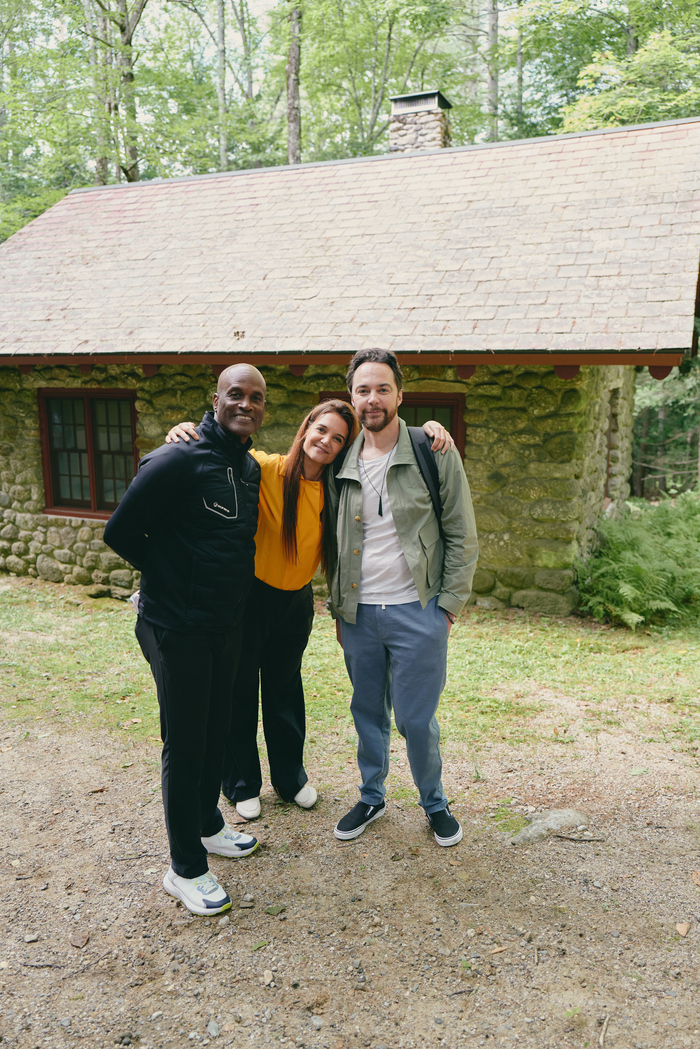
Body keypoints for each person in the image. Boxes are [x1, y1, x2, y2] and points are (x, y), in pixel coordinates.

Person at [165, 403, 453, 821]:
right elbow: (218, 449)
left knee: (284, 691)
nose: (327, 442)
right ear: (306, 429)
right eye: (321, 430)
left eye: (338, 438)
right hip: (250, 599)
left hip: (295, 603)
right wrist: (187, 430)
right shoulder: (264, 468)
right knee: (240, 691)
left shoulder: (337, 486)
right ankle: (242, 782)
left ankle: (290, 778)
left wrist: (429, 427)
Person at [104, 364, 266, 917]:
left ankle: (207, 825)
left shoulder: (247, 468)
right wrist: (170, 578)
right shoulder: (178, 457)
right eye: (236, 394)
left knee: (217, 730)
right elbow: (120, 530)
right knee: (187, 741)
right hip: (176, 627)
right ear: (215, 399)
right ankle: (185, 869)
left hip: (226, 625)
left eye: (256, 398)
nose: (246, 404)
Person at [330, 349, 478, 847]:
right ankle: (371, 796)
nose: (372, 399)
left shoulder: (432, 449)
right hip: (358, 614)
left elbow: (461, 532)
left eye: (382, 388)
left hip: (420, 612)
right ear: (352, 397)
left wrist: (449, 606)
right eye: (362, 390)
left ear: (400, 394)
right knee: (367, 711)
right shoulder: (340, 458)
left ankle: (433, 801)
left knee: (417, 719)